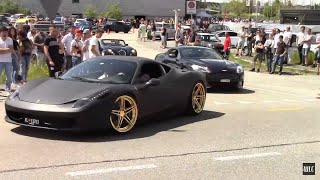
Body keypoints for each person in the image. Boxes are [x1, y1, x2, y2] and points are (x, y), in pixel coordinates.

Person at [0, 26, 14, 94]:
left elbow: (11, 49)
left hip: (8, 61)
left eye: (6, 32)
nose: (5, 33)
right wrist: (7, 50)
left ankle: (8, 88)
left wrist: (3, 50)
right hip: (0, 61)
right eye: (3, 32)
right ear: (0, 33)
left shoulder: (10, 39)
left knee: (9, 76)